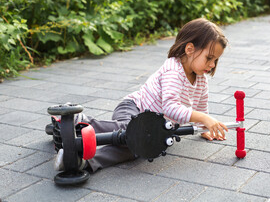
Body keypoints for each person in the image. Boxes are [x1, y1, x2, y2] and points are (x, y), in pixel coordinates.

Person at [54, 18, 229, 172]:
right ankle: (80, 120)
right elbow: (170, 107)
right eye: (209, 58)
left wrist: (205, 128)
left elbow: (200, 108)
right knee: (128, 130)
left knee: (136, 148)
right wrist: (205, 119)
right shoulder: (173, 70)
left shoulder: (201, 79)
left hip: (151, 128)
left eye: (216, 60)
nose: (212, 65)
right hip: (134, 108)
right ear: (190, 49)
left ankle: (83, 162)